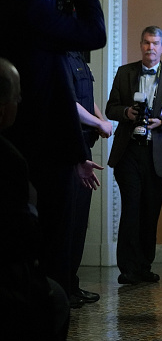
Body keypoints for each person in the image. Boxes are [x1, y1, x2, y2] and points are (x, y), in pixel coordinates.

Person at [0, 0, 106, 303]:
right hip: (44, 152)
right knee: (52, 257)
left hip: (10, 143)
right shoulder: (30, 11)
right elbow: (94, 33)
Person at [106, 26, 162, 286]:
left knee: (150, 211)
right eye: (146, 42)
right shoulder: (124, 73)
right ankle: (127, 269)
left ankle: (144, 266)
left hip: (158, 155)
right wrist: (126, 114)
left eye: (155, 43)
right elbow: (111, 108)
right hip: (129, 152)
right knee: (131, 208)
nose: (150, 48)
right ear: (140, 45)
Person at [0, 58, 70, 340]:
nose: (20, 102)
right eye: (17, 96)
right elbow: (22, 237)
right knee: (55, 299)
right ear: (3, 108)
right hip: (8, 280)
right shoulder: (9, 159)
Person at [68, 51, 113, 307]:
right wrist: (97, 122)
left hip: (85, 144)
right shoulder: (59, 57)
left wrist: (100, 121)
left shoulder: (79, 57)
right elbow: (68, 102)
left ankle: (71, 285)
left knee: (78, 223)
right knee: (68, 223)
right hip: (71, 148)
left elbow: (87, 99)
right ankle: (62, 287)